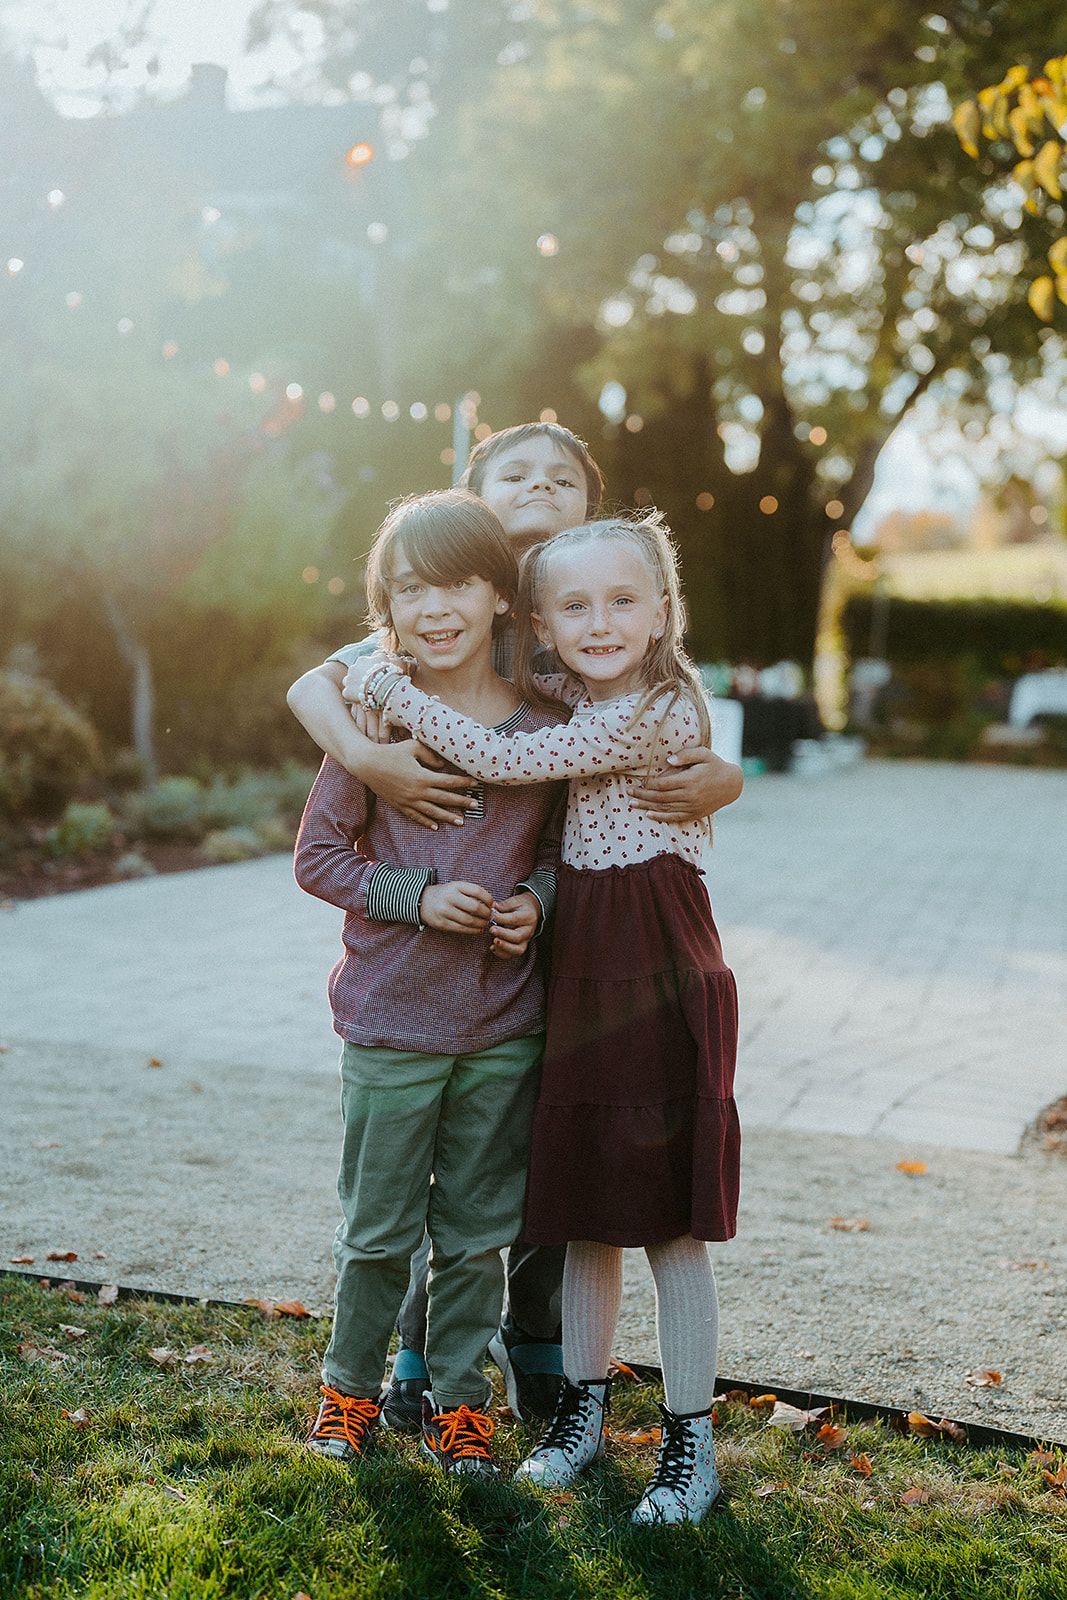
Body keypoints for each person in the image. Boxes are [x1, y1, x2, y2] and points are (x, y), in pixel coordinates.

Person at [287, 422, 743, 1428]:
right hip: (425, 990)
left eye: (561, 476)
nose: (538, 486)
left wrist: (726, 773)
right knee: (418, 1185)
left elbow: (620, 752)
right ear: (475, 493)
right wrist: (375, 760)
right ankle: (407, 1360)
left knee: (525, 1165)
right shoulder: (436, 605)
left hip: (552, 957)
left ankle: (530, 1350)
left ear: (591, 503)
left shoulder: (586, 613)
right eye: (514, 473)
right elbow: (316, 685)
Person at [294, 489, 566, 1477]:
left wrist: (534, 902)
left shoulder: (548, 733)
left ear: (499, 595)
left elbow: (561, 858)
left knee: (476, 1234)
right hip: (390, 1026)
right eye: (409, 589)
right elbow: (320, 858)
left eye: (456, 582)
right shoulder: (372, 719)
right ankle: (347, 1395)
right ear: (386, 607)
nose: (434, 606)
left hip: (502, 1027)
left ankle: (461, 1408)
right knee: (375, 1234)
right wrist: (417, 896)